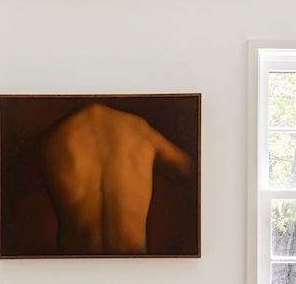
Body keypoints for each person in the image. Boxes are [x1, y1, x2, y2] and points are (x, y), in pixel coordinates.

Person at [40, 103, 194, 254]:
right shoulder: (140, 131)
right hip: (133, 263)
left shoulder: (53, 141)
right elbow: (191, 172)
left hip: (79, 266)